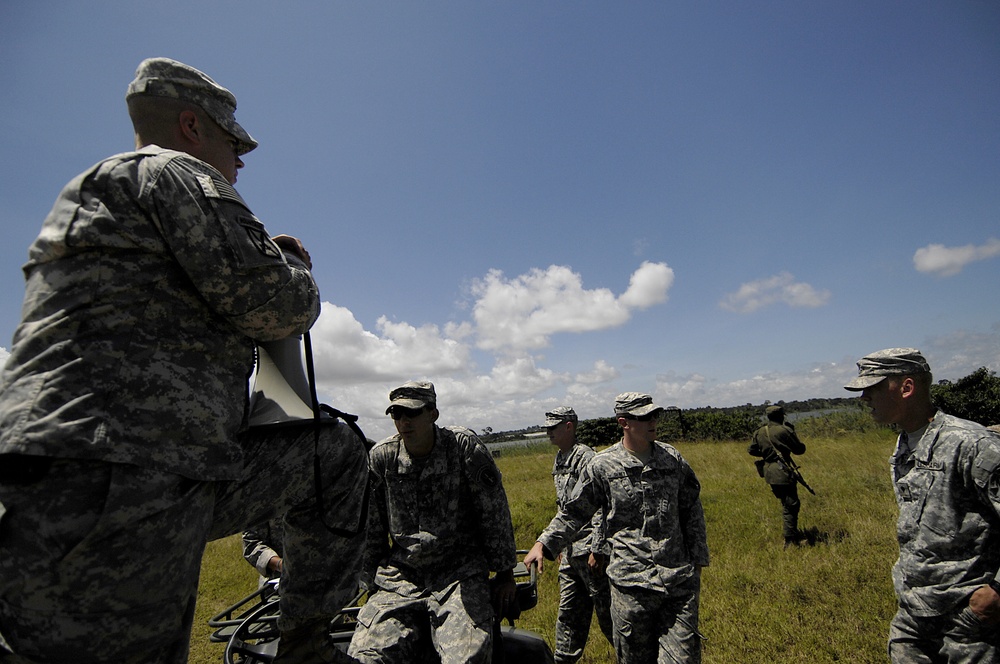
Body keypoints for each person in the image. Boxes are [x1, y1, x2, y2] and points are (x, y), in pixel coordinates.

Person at [0, 57, 368, 664]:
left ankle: (302, 638)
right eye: (233, 141)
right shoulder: (175, 173)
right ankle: (303, 641)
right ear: (194, 126)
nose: (241, 159)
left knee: (330, 451)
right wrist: (296, 271)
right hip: (127, 469)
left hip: (121, 463)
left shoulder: (110, 191)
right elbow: (275, 306)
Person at [524, 393, 710, 664]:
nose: (653, 421)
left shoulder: (672, 459)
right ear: (624, 422)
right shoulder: (602, 465)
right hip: (630, 586)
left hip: (677, 583)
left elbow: (692, 509)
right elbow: (575, 510)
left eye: (654, 415)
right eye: (644, 417)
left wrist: (697, 562)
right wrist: (544, 544)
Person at [845, 347, 1000, 661]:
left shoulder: (972, 444)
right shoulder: (905, 443)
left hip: (969, 617)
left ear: (906, 387)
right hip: (914, 610)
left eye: (872, 388)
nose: (864, 398)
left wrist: (997, 591)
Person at [349, 381, 518, 664]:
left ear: (433, 414)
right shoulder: (382, 457)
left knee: (468, 657)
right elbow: (372, 528)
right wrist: (369, 585)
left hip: (459, 574)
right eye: (396, 414)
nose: (403, 421)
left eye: (411, 413)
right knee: (364, 658)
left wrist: (504, 574)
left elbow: (493, 511)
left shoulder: (462, 447)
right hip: (400, 579)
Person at [537, 407, 614, 663]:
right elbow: (564, 507)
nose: (549, 432)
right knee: (568, 616)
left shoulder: (586, 457)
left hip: (591, 553)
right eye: (547, 427)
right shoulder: (560, 458)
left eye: (553, 427)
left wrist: (598, 547)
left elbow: (602, 505)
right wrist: (558, 546)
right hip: (570, 553)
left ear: (569, 426)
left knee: (610, 617)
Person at [748, 405, 807, 548]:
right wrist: (793, 433)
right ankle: (790, 540)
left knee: (786, 503)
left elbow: (751, 450)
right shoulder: (784, 430)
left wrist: (768, 454)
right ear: (781, 416)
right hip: (783, 472)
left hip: (769, 472)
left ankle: (791, 533)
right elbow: (799, 450)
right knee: (791, 505)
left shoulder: (760, 431)